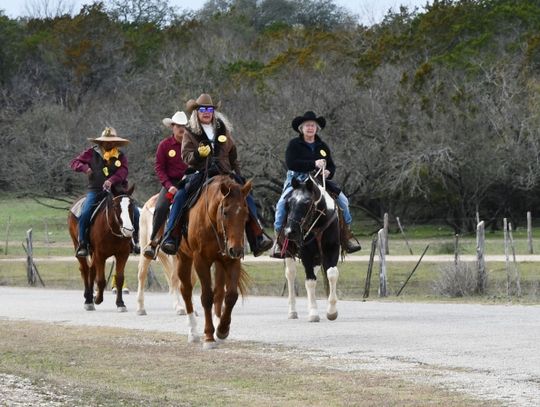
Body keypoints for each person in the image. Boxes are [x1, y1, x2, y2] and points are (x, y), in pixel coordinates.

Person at [161, 93, 273, 256]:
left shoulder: (223, 129)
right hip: (200, 173)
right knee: (180, 196)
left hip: (225, 173)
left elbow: (233, 154)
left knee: (246, 197)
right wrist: (199, 154)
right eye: (202, 109)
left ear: (213, 112)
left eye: (209, 109)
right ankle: (171, 236)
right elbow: (186, 157)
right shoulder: (190, 132)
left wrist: (238, 175)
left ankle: (257, 236)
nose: (206, 112)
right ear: (196, 112)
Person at [270, 111, 361, 257]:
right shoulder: (294, 144)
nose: (310, 128)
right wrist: (313, 163)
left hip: (319, 181)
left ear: (317, 128)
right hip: (297, 181)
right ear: (301, 128)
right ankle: (279, 242)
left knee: (343, 201)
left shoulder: (322, 146)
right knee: (281, 204)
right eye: (307, 125)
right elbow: (291, 163)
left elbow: (331, 166)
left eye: (313, 125)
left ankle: (346, 236)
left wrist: (328, 173)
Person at [70, 126, 140, 258]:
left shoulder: (121, 156)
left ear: (116, 142)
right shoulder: (91, 153)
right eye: (106, 141)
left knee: (134, 211)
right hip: (96, 190)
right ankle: (83, 243)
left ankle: (136, 241)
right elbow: (74, 162)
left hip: (118, 191)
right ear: (101, 142)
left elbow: (123, 171)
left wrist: (112, 180)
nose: (109, 143)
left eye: (112, 141)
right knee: (85, 212)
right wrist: (85, 168)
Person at [143, 111, 189, 260]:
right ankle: (154, 241)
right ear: (172, 127)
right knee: (161, 207)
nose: (181, 129)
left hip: (190, 181)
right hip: (172, 184)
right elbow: (159, 168)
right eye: (178, 126)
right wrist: (169, 186)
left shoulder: (192, 144)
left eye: (184, 126)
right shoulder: (164, 145)